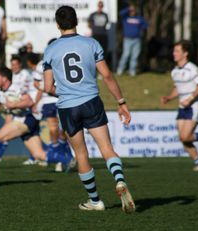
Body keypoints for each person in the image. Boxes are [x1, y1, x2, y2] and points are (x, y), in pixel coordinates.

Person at [43, 6, 135, 212]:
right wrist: (121, 102)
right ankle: (119, 180)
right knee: (106, 148)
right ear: (76, 21)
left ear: (58, 24)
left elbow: (47, 87)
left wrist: (66, 92)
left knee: (81, 155)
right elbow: (108, 76)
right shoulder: (92, 43)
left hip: (68, 107)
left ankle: (95, 201)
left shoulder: (50, 50)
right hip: (92, 101)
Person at [0, 67, 73, 169]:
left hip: (27, 119)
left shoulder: (16, 88)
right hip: (20, 121)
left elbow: (29, 102)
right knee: (39, 155)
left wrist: (14, 105)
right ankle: (68, 160)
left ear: (5, 78)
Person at [161, 40, 198, 171]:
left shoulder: (192, 69)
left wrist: (191, 98)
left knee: (185, 136)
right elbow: (178, 88)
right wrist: (169, 97)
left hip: (194, 106)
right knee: (183, 139)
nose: (174, 53)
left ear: (185, 53)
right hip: (182, 107)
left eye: (177, 51)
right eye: (174, 51)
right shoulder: (175, 71)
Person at [26, 52, 74, 172]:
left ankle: (62, 158)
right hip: (51, 100)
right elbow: (37, 83)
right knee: (56, 130)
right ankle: (60, 159)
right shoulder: (44, 64)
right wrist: (48, 91)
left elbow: (37, 84)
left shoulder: (53, 63)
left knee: (62, 131)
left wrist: (49, 90)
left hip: (60, 99)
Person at [116, 4, 148, 77]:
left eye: (133, 10)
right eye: (131, 10)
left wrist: (140, 31)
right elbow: (121, 13)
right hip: (127, 39)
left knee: (134, 56)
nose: (132, 12)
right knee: (126, 55)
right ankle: (120, 70)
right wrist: (128, 8)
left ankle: (132, 71)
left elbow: (145, 25)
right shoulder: (125, 18)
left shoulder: (139, 18)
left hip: (137, 40)